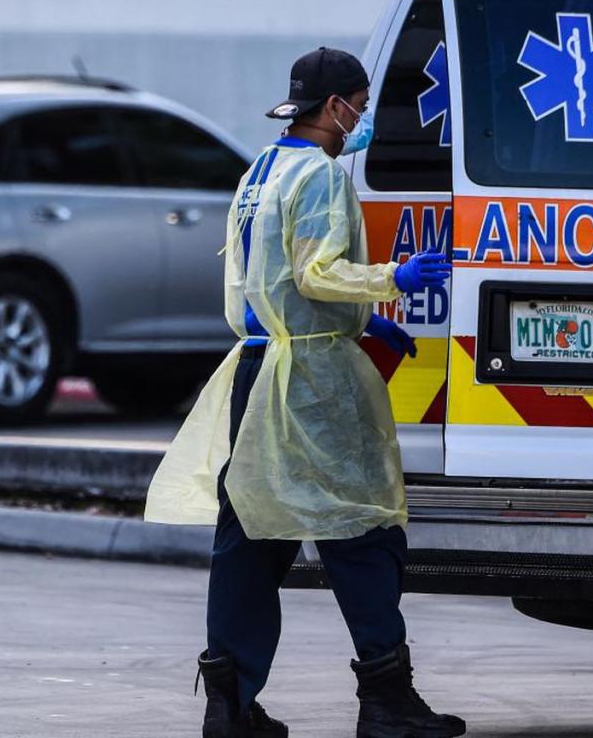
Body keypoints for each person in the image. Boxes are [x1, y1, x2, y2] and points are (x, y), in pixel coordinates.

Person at [144, 47, 463, 738]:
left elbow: (266, 279)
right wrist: (390, 282)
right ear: (336, 106)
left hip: (259, 369)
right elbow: (318, 271)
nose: (365, 117)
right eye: (362, 103)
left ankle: (228, 705)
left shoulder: (261, 170)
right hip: (310, 380)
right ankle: (387, 702)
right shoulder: (319, 175)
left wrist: (358, 317)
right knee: (362, 527)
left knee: (253, 538)